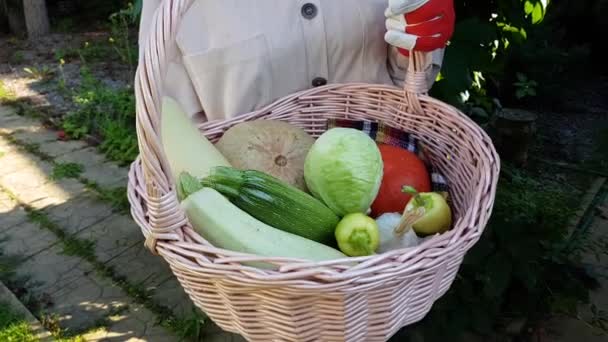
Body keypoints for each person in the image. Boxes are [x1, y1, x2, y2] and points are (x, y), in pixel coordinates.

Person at [138, 0, 455, 123]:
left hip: (390, 194)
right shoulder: (175, 8)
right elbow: (171, 126)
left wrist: (413, 49)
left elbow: (411, 87)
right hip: (247, 237)